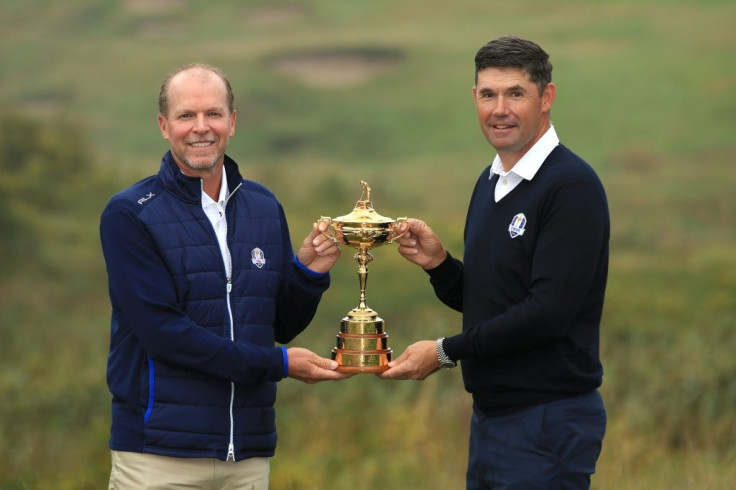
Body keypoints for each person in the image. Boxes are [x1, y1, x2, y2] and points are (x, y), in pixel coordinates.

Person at [100, 63, 349, 489]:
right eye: (186, 116)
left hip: (247, 457)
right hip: (159, 457)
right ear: (164, 126)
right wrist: (280, 365)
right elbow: (164, 333)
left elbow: (279, 325)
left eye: (213, 114)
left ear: (232, 122)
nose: (201, 128)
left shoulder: (264, 206)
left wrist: (307, 273)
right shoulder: (130, 214)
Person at [380, 36, 610, 489]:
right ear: (474, 99)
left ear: (547, 97)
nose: (499, 109)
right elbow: (495, 301)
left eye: (515, 94)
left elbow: (547, 314)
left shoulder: (570, 186)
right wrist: (441, 266)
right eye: (488, 94)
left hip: (547, 419)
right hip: (493, 418)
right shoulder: (490, 183)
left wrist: (445, 351)